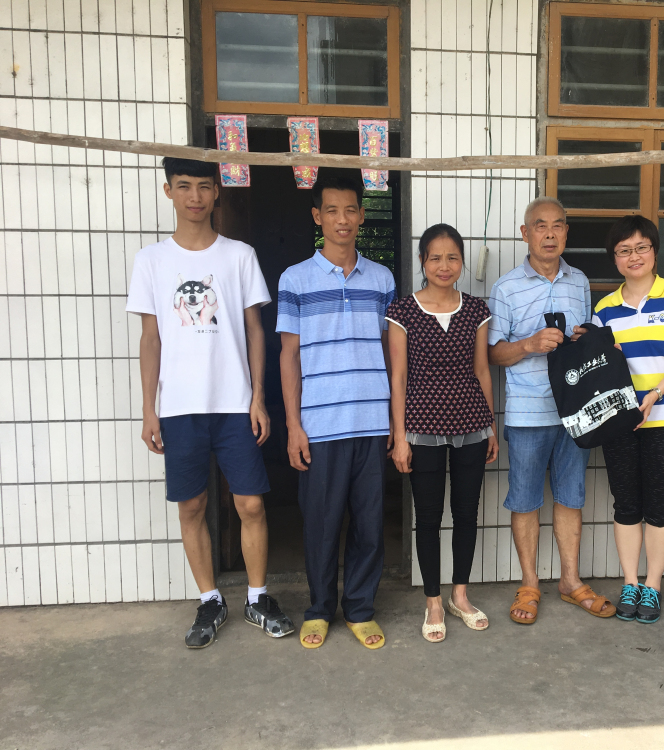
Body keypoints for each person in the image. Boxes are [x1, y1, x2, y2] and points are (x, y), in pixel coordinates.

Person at [126, 157, 294, 648]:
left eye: (204, 186)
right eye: (184, 186)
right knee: (192, 505)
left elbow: (255, 330)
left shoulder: (238, 255)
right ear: (168, 191)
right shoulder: (151, 260)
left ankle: (257, 597)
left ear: (218, 191)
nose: (195, 196)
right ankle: (209, 600)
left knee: (251, 504)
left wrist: (258, 397)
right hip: (179, 407)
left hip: (235, 404)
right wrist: (149, 408)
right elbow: (151, 339)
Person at [276, 175, 396, 650]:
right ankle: (320, 609)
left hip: (372, 421)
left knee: (370, 524)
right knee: (321, 525)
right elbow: (288, 356)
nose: (342, 220)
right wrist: (293, 425)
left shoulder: (382, 279)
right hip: (320, 424)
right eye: (331, 211)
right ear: (317, 217)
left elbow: (391, 352)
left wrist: (396, 420)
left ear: (362, 216)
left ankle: (360, 609)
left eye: (350, 210)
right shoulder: (295, 279)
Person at [488, 196, 616, 624]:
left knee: (570, 496)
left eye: (557, 225)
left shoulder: (579, 280)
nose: (549, 234)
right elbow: (493, 353)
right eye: (540, 226)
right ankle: (529, 584)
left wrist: (583, 336)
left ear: (566, 232)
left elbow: (590, 341)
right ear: (525, 233)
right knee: (525, 500)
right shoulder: (506, 287)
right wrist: (529, 344)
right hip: (527, 410)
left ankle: (569, 581)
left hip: (575, 409)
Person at [386, 224, 499, 643]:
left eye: (452, 257)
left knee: (467, 514)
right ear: (422, 261)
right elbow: (398, 378)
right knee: (429, 518)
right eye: (435, 257)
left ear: (462, 262)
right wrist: (400, 437)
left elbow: (482, 370)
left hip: (471, 424)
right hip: (421, 428)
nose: (444, 265)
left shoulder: (475, 309)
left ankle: (459, 596)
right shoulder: (402, 311)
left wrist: (490, 426)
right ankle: (433, 600)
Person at [591, 216, 664, 624]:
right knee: (625, 503)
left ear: (654, 252)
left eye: (641, 247)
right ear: (615, 259)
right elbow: (602, 366)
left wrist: (654, 395)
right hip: (620, 420)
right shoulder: (604, 308)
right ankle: (630, 583)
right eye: (624, 250)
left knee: (658, 502)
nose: (633, 256)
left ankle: (653, 586)